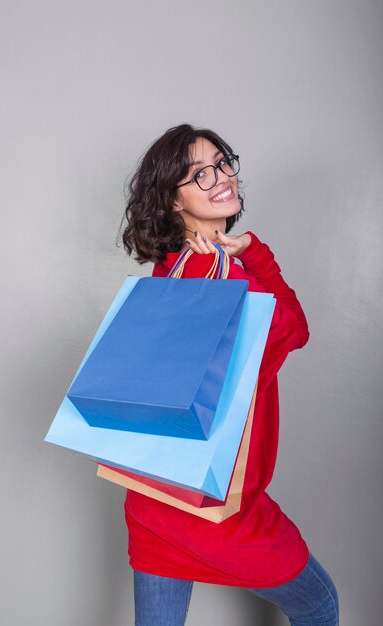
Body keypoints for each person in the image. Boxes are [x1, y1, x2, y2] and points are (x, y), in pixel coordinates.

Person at [119, 124, 339, 626]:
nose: (221, 178)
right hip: (217, 510)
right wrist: (254, 255)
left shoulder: (168, 272)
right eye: (199, 174)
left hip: (153, 498)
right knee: (320, 604)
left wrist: (238, 257)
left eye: (223, 163)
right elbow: (296, 328)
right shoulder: (230, 283)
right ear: (173, 200)